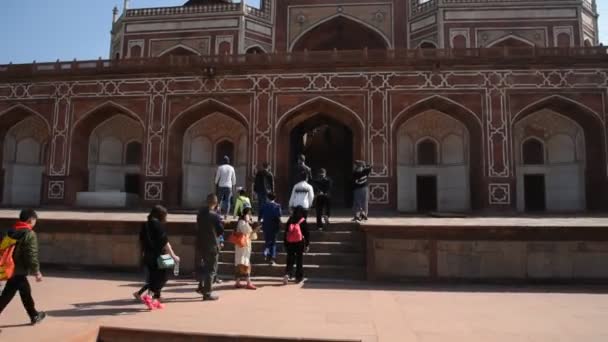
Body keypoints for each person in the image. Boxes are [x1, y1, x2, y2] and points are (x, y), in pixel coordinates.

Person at [0, 209, 46, 325]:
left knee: (24, 292)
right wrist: (36, 271)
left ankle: (34, 314)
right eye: (35, 220)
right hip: (18, 270)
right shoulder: (29, 234)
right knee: (8, 295)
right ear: (31, 220)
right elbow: (31, 254)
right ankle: (34, 315)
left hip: (9, 267)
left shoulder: (11, 230)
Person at [138, 205, 180, 309]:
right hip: (159, 255)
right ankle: (149, 297)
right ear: (161, 215)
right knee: (163, 277)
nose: (166, 218)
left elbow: (140, 241)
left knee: (153, 277)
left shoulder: (146, 225)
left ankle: (154, 301)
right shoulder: (158, 225)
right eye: (166, 216)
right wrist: (174, 256)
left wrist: (141, 254)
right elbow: (165, 243)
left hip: (147, 255)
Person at [196, 194, 224, 301]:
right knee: (211, 269)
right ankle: (207, 293)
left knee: (204, 266)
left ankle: (201, 286)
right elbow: (220, 230)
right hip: (212, 244)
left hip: (201, 243)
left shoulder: (200, 213)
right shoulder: (215, 215)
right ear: (216, 203)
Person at [283, 206, 310, 285]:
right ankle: (298, 277)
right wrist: (307, 244)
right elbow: (307, 234)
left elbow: (286, 232)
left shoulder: (290, 219)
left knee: (290, 259)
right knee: (299, 260)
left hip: (290, 242)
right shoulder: (302, 220)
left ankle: (287, 273)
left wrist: (285, 243)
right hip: (299, 242)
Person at [234, 207, 259, 290]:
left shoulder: (245, 222)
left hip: (245, 246)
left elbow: (251, 235)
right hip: (242, 246)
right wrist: (251, 226)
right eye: (249, 214)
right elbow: (247, 232)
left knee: (240, 263)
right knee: (245, 264)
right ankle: (248, 282)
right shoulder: (242, 222)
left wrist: (254, 229)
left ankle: (237, 282)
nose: (250, 215)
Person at [260, 192, 282, 265]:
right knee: (273, 242)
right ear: (275, 198)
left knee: (267, 240)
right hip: (274, 226)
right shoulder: (277, 206)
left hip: (266, 226)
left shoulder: (264, 205)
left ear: (267, 198)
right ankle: (272, 258)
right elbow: (279, 216)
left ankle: (266, 253)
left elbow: (260, 216)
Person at [215, 155, 236, 219]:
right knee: (228, 201)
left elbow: (217, 177)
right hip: (229, 186)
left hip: (221, 185)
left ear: (223, 161)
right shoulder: (232, 168)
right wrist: (233, 185)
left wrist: (215, 183)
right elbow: (233, 178)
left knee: (219, 200)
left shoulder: (220, 167)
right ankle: (226, 214)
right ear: (228, 161)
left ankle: (218, 214)